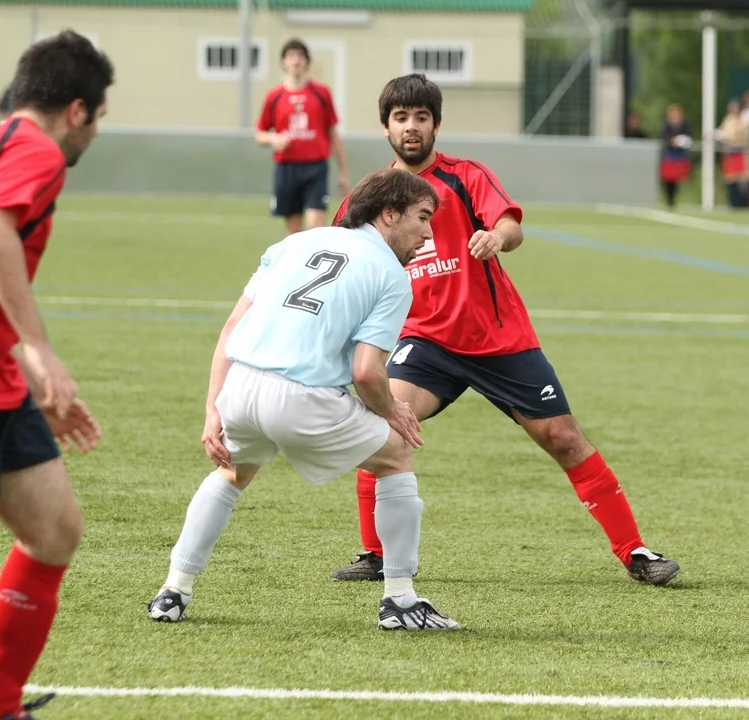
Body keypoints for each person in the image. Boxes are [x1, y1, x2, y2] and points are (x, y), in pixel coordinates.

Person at [328, 74, 680, 587]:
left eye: (421, 118)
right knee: (380, 426)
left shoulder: (466, 176)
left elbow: (511, 225)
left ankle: (635, 551)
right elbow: (338, 251)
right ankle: (375, 554)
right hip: (424, 343)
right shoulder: (371, 195)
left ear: (436, 125)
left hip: (498, 339)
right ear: (385, 127)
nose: (411, 127)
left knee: (563, 438)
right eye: (401, 118)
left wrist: (496, 237)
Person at [146, 168, 461, 631]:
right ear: (389, 214)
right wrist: (392, 410)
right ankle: (400, 599)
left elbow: (232, 327)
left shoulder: (294, 243)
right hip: (300, 399)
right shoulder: (392, 275)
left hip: (241, 387)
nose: (429, 233)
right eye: (423, 216)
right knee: (396, 455)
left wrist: (213, 408)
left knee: (231, 474)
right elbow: (366, 372)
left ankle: (173, 589)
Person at [0, 30, 112, 720]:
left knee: (55, 528)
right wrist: (37, 348)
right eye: (98, 118)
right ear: (77, 110)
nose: (95, 132)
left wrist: (25, 373)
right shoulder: (37, 150)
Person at [255, 38, 349, 235]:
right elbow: (260, 134)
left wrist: (343, 171)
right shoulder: (275, 96)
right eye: (291, 56)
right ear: (283, 62)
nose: (296, 61)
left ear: (307, 62)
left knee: (316, 225)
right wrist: (274, 139)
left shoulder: (321, 93)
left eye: (300, 56)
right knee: (294, 230)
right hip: (287, 167)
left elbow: (333, 133)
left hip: (316, 167)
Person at [714, 99, 749, 209]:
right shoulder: (728, 120)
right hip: (730, 152)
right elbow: (724, 133)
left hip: (740, 151)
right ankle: (733, 202)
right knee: (731, 178)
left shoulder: (743, 121)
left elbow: (744, 135)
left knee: (743, 178)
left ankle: (744, 202)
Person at [659, 103, 693, 209]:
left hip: (680, 155)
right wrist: (672, 141)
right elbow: (663, 137)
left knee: (679, 178)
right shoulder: (666, 126)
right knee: (669, 179)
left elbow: (688, 137)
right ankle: (669, 199)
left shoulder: (684, 126)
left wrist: (682, 141)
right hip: (670, 155)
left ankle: (676, 198)